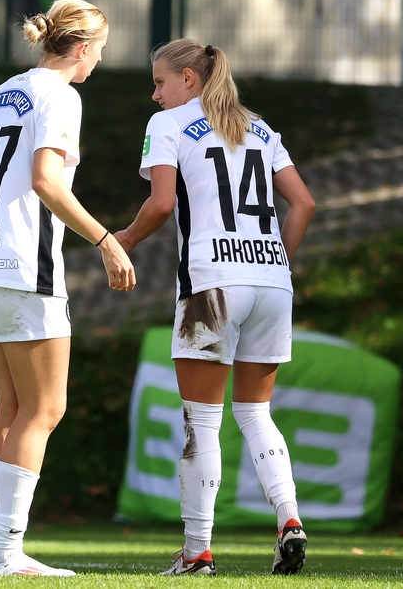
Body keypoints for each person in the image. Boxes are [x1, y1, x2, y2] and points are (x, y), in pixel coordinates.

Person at [115, 39, 315, 576]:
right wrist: (274, 263)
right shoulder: (262, 127)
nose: (154, 95)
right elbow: (304, 203)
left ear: (188, 79)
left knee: (201, 422)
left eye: (159, 82)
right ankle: (289, 518)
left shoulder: (170, 125)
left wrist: (124, 240)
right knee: (255, 414)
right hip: (271, 281)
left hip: (211, 287)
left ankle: (197, 551)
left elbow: (160, 203)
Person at [0, 0, 135, 576]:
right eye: (99, 51)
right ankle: (4, 554)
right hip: (20, 262)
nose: (98, 62)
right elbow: (44, 179)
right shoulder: (61, 94)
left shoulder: (0, 93)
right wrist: (106, 239)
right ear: (81, 48)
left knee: (10, 407)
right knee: (45, 407)